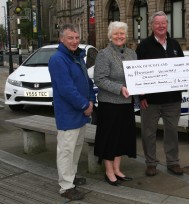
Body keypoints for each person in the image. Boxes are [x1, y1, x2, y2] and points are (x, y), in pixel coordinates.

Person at [48, 23, 96, 200]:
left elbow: (87, 82)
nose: (75, 41)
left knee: (76, 148)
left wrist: (91, 100)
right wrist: (85, 105)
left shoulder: (77, 56)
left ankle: (71, 176)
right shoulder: (58, 59)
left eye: (77, 38)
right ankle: (66, 186)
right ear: (61, 39)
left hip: (81, 112)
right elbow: (66, 89)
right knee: (66, 150)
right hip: (69, 114)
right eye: (70, 38)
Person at [136, 11, 184, 176]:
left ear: (167, 25)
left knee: (172, 132)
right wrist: (141, 96)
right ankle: (151, 163)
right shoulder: (143, 46)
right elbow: (137, 74)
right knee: (148, 133)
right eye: (157, 23)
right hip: (151, 101)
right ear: (152, 26)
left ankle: (173, 162)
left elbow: (181, 69)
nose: (161, 26)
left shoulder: (175, 45)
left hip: (173, 99)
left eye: (164, 23)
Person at [93, 21, 137, 186]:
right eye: (116, 34)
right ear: (110, 36)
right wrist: (120, 88)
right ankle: (109, 171)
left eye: (122, 33)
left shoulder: (132, 54)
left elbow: (137, 77)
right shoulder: (104, 54)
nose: (119, 36)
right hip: (109, 104)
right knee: (109, 138)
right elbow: (100, 79)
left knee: (121, 138)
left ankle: (117, 169)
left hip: (126, 104)